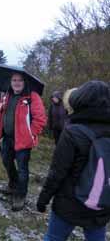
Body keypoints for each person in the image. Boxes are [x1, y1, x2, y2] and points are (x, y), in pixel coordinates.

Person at [36, 81, 110, 241]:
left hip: (69, 202)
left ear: (80, 100)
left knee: (54, 237)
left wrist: (44, 198)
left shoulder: (73, 131)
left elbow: (57, 172)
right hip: (100, 203)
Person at [0, 73, 46, 211]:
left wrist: (30, 134)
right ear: (10, 82)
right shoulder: (7, 95)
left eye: (20, 80)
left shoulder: (32, 96)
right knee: (6, 161)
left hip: (23, 141)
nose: (16, 83)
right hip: (7, 138)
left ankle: (20, 195)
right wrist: (1, 104)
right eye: (14, 80)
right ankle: (12, 185)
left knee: (22, 169)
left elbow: (40, 119)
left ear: (24, 82)